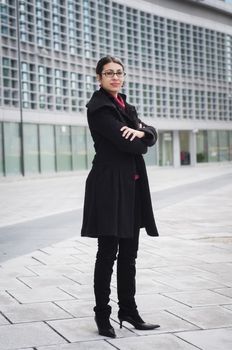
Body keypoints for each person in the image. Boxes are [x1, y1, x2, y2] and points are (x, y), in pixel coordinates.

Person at [81, 55, 160, 338]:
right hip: (108, 187)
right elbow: (135, 147)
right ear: (99, 78)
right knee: (107, 253)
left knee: (129, 255)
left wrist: (141, 131)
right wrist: (142, 136)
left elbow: (150, 134)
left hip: (131, 188)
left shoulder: (127, 107)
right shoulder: (99, 108)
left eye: (119, 72)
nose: (115, 77)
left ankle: (129, 310)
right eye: (109, 73)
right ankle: (103, 315)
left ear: (124, 76)